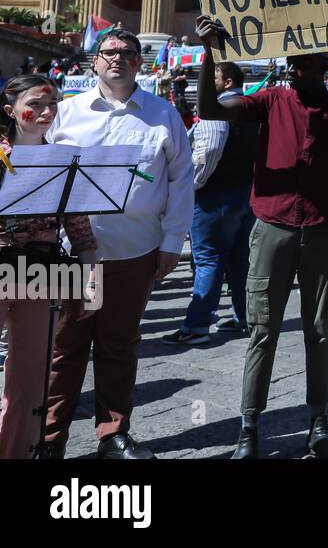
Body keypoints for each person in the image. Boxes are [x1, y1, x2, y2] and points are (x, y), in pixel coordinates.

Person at [195, 14, 328, 460]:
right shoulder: (270, 100)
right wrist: (210, 50)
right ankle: (249, 429)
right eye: (291, 61)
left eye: (302, 62)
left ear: (323, 66)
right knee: (262, 331)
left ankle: (318, 427)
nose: (291, 67)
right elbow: (210, 110)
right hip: (272, 227)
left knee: (319, 331)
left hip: (323, 229)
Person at [44, 28, 195, 459]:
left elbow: (181, 183)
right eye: (109, 51)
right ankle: (51, 438)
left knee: (119, 346)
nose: (117, 58)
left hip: (135, 250)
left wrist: (171, 243)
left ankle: (113, 434)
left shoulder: (163, 115)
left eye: (127, 53)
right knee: (64, 349)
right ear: (94, 62)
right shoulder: (66, 114)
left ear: (139, 63)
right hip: (71, 255)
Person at [0, 75, 97, 459]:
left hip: (43, 274)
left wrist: (92, 282)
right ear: (11, 111)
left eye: (52, 103)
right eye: (35, 103)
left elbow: (81, 229)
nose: (45, 111)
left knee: (30, 375)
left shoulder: (63, 158)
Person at [163, 61, 257, 346]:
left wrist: (192, 185)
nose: (208, 81)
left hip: (214, 197)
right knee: (239, 260)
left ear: (227, 82)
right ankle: (243, 317)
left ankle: (197, 325)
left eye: (213, 76)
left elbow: (210, 151)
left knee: (208, 258)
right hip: (245, 193)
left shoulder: (218, 109)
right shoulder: (252, 108)